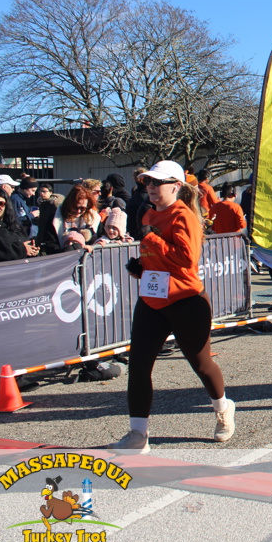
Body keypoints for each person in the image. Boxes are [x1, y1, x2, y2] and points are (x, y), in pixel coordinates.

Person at [109, 160, 235, 454]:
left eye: (158, 182)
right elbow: (157, 255)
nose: (151, 187)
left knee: (200, 363)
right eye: (148, 182)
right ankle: (138, 434)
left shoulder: (184, 215)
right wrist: (141, 266)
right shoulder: (148, 213)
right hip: (152, 300)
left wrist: (151, 237)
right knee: (139, 365)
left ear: (176, 186)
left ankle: (223, 408)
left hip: (186, 300)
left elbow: (186, 260)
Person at [36, 185, 103, 255]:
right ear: (69, 204)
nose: (78, 211)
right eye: (75, 207)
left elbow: (102, 235)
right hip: (63, 257)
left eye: (82, 208)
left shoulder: (94, 218)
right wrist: (67, 250)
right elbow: (50, 243)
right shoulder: (55, 217)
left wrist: (101, 241)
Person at [0, 187, 40, 262]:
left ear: (6, 205)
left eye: (1, 203)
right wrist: (22, 250)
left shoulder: (14, 224)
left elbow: (25, 243)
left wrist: (32, 250)